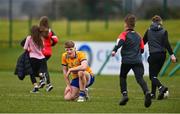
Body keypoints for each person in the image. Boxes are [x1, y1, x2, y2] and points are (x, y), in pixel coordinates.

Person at [111, 14, 152, 108]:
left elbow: (119, 42)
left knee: (122, 76)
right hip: (137, 60)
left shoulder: (124, 34)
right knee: (140, 78)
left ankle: (124, 95)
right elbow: (142, 49)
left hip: (126, 61)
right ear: (134, 25)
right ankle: (147, 92)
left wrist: (114, 50)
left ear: (126, 24)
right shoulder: (138, 36)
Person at [143, 15, 177, 100]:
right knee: (155, 75)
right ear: (160, 22)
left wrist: (137, 50)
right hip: (162, 56)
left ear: (152, 22)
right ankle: (153, 94)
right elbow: (167, 44)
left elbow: (143, 42)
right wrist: (172, 55)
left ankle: (161, 87)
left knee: (152, 77)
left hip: (153, 55)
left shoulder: (148, 31)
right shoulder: (164, 31)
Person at [23, 25, 47, 93]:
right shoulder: (41, 38)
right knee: (37, 72)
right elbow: (43, 49)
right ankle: (42, 75)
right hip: (42, 58)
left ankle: (36, 87)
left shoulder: (29, 38)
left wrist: (29, 49)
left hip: (33, 58)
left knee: (31, 73)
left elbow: (25, 48)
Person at [38, 16, 58, 92]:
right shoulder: (50, 31)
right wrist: (51, 45)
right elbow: (56, 40)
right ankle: (46, 84)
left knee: (40, 68)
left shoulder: (39, 30)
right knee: (43, 67)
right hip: (48, 52)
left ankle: (44, 82)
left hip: (40, 52)